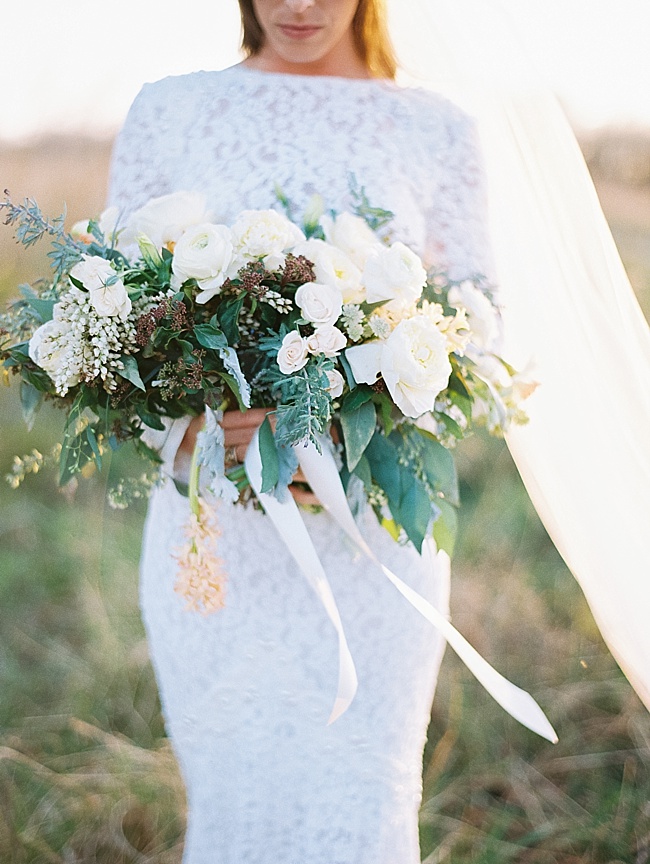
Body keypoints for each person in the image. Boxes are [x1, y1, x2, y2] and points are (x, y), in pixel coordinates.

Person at [105, 0, 615, 860]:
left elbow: (475, 327)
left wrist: (341, 428)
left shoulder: (437, 127)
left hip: (371, 544)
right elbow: (117, 314)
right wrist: (195, 426)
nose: (298, 6)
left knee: (361, 803)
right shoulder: (170, 109)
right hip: (220, 540)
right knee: (237, 803)